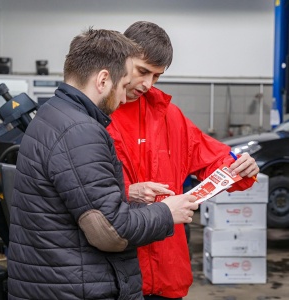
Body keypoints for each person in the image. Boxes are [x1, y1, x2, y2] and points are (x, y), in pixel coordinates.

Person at [7, 28, 199, 300]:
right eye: (123, 87)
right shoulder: (80, 130)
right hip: (75, 287)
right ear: (103, 80)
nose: (124, 99)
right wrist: (167, 212)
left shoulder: (52, 115)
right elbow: (110, 232)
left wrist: (125, 193)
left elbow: (77, 200)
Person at [107, 21, 260, 300]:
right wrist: (127, 193)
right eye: (143, 71)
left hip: (168, 270)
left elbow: (212, 157)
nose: (147, 84)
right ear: (120, 58)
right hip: (116, 274)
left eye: (156, 76)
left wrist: (239, 167)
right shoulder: (96, 118)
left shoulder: (169, 116)